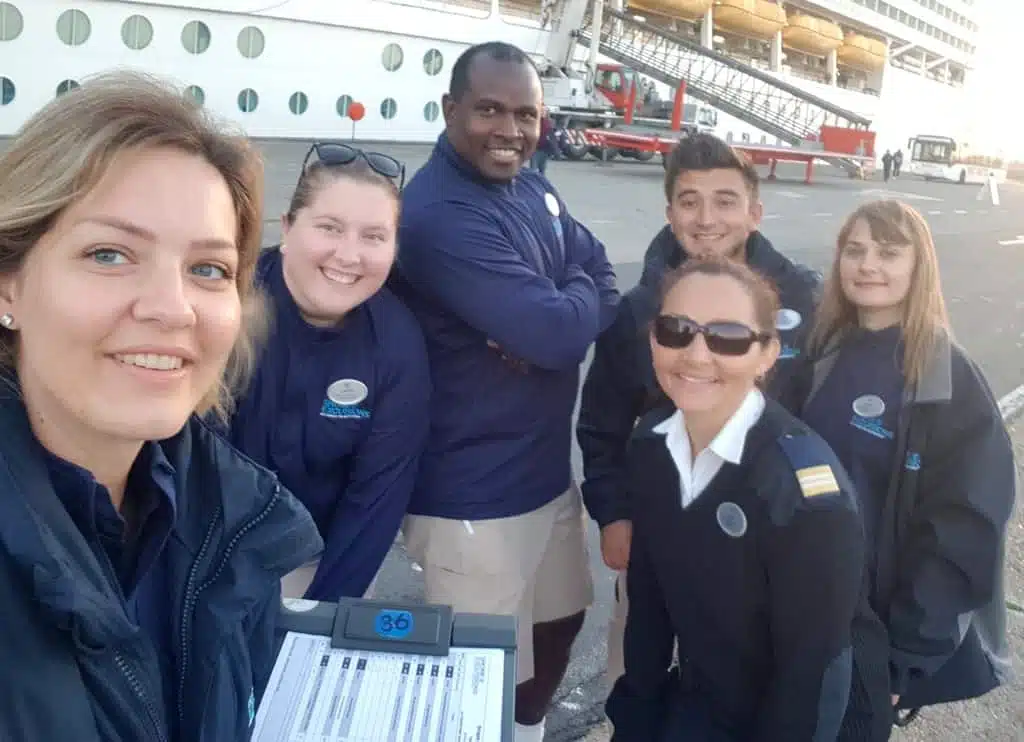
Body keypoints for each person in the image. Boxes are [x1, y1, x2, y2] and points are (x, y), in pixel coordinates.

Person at [0, 71, 322, 740]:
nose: (173, 310)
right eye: (110, 254)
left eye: (207, 269)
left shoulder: (233, 519)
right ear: (9, 288)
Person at [392, 41, 619, 742]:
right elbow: (556, 336)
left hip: (545, 477)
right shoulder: (440, 212)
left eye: (526, 114)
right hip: (471, 492)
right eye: (489, 109)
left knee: (561, 619)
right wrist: (555, 316)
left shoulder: (531, 185)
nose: (511, 130)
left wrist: (559, 305)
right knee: (474, 672)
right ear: (450, 109)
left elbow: (598, 272)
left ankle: (524, 733)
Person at [577, 133, 820, 684]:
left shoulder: (803, 301)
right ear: (670, 211)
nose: (707, 219)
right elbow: (602, 423)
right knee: (640, 670)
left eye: (725, 201)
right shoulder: (639, 309)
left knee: (754, 681)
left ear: (754, 213)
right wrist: (614, 513)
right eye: (690, 201)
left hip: (769, 535)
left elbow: (821, 415)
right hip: (659, 529)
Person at [606, 255, 864, 741]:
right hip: (698, 700)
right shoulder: (650, 445)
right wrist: (635, 719)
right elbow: (649, 598)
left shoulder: (804, 498)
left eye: (727, 337)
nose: (697, 355)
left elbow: (811, 674)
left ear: (767, 354)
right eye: (676, 329)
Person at [793, 201, 1016, 740]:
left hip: (869, 631)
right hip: (795, 605)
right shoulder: (822, 351)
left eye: (889, 253)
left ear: (920, 267)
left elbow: (963, 529)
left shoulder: (947, 378)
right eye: (856, 250)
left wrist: (906, 656)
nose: (868, 265)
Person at [225, 142, 430, 601]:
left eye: (374, 236)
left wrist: (323, 617)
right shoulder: (229, 310)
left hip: (325, 558)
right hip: (210, 558)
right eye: (329, 228)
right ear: (288, 226)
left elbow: (377, 499)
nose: (349, 255)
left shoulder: (396, 343)